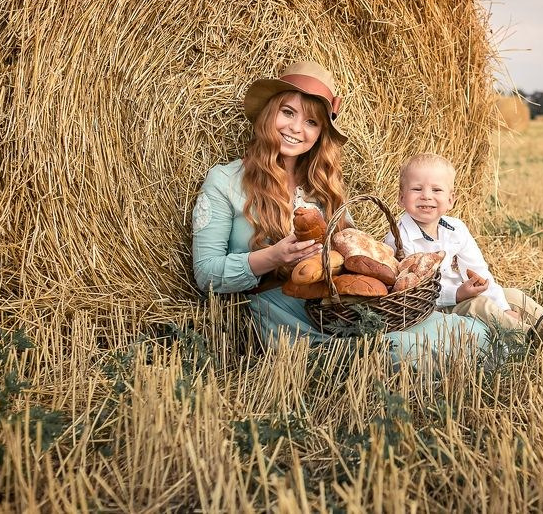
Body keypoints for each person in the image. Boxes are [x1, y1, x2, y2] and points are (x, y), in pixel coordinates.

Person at [191, 61, 488, 365]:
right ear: (269, 113)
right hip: (280, 308)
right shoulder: (225, 181)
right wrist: (273, 257)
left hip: (335, 304)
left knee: (465, 335)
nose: (296, 128)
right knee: (395, 351)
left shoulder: (322, 186)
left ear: (320, 132)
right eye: (288, 112)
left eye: (311, 122)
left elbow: (350, 253)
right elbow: (206, 273)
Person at [384, 153, 543, 353]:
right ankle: (530, 339)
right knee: (479, 304)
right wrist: (457, 294)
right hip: (430, 306)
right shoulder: (399, 239)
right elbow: (410, 291)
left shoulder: (456, 229)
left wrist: (503, 307)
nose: (426, 196)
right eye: (417, 189)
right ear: (401, 198)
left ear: (451, 200)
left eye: (437, 190)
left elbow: (478, 269)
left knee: (513, 295)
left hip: (462, 294)